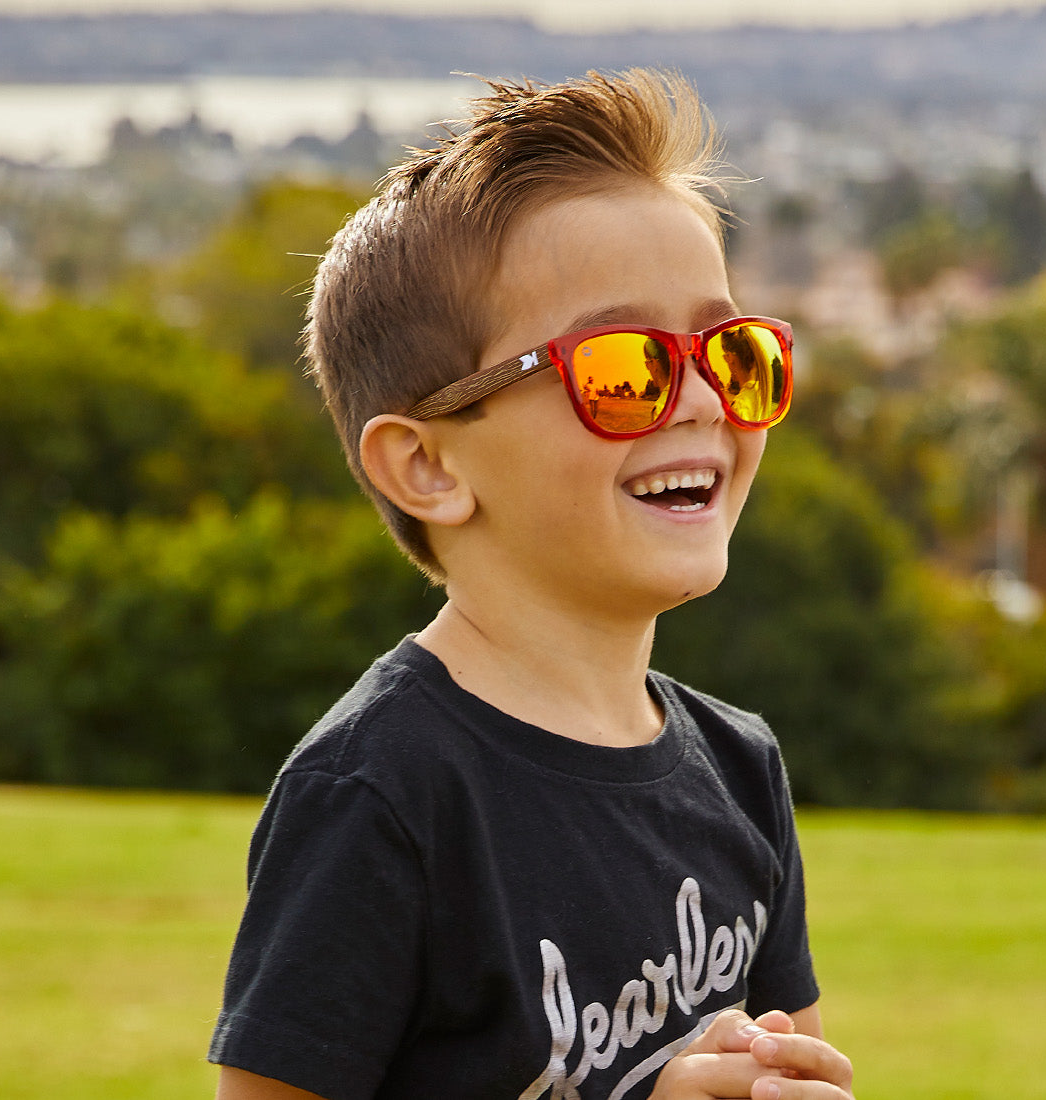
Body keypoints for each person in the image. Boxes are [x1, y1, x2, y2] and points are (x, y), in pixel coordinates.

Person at [208, 69, 845, 1100]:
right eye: (624, 367)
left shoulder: (738, 770)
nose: (696, 400)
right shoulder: (380, 795)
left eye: (732, 355)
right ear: (429, 465)